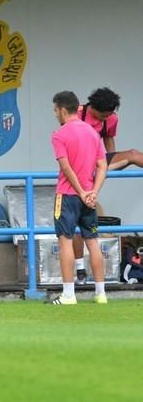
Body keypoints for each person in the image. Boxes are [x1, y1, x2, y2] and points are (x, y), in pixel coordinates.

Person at [73, 88, 143, 284]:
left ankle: (88, 277)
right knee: (77, 224)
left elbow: (108, 138)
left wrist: (109, 163)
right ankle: (79, 270)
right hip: (79, 165)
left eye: (109, 115)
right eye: (102, 115)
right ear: (92, 107)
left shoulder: (111, 118)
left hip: (99, 162)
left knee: (133, 154)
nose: (106, 118)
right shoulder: (77, 113)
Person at [48, 91, 107, 305]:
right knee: (93, 242)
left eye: (55, 110)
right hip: (89, 197)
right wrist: (93, 192)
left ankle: (68, 294)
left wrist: (81, 191)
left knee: (65, 242)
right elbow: (102, 166)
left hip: (67, 195)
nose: (55, 114)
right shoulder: (93, 133)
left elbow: (65, 166)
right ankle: (101, 294)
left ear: (63, 110)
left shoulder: (59, 134)